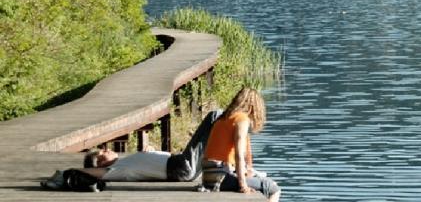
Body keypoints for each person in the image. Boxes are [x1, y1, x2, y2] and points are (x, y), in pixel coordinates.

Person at [41, 110, 222, 189]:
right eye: (103, 151)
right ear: (101, 161)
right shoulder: (116, 169)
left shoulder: (125, 162)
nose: (108, 149)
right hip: (181, 166)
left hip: (182, 167)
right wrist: (65, 173)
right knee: (215, 115)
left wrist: (150, 152)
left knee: (216, 126)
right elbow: (94, 172)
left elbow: (150, 163)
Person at [201, 87, 280, 202]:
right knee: (273, 188)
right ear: (254, 107)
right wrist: (243, 185)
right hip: (220, 178)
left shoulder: (224, 118)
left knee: (258, 180)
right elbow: (239, 154)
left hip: (208, 176)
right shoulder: (242, 119)